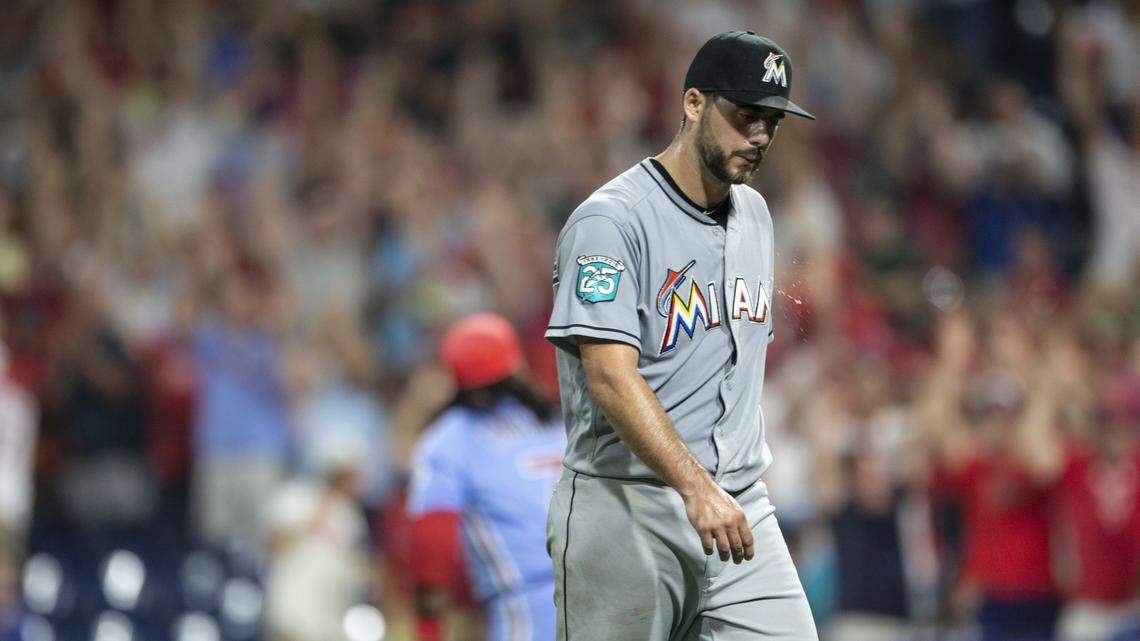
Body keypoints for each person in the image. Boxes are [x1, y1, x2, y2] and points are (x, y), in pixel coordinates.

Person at [544, 31, 818, 641]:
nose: (761, 136)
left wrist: (718, 490)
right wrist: (696, 488)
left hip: (740, 506)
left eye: (773, 121)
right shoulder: (610, 222)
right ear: (693, 103)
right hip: (625, 504)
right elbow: (611, 377)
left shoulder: (756, 214)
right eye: (745, 115)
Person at [407, 313, 566, 641]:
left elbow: (432, 549)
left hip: (526, 609)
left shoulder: (450, 440)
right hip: (607, 600)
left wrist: (429, 632)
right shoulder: (556, 424)